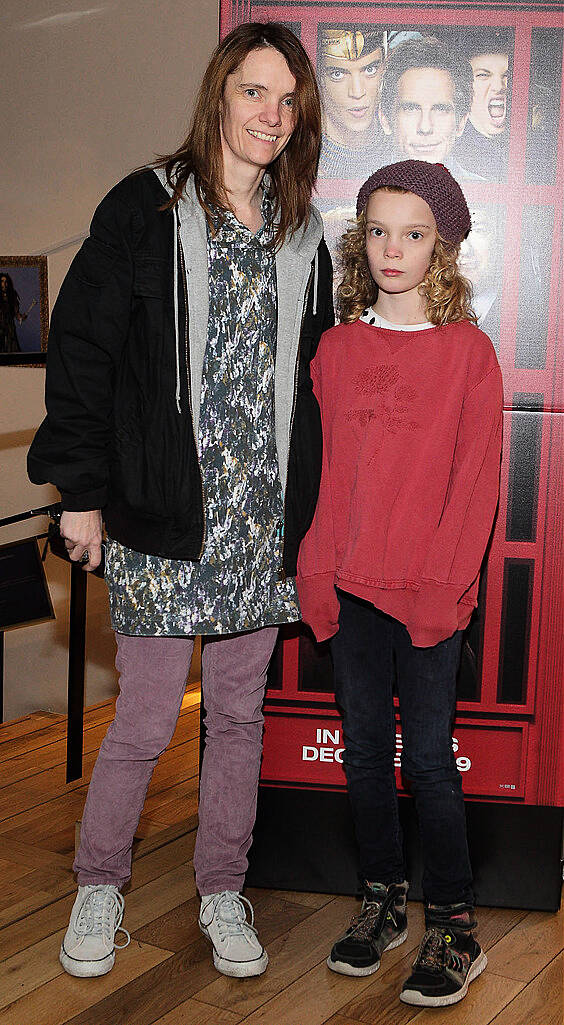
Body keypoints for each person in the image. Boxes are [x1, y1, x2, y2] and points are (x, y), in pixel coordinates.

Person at [28, 21, 333, 981]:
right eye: (254, 92)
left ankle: (219, 888)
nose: (271, 116)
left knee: (239, 717)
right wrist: (79, 494)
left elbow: (316, 380)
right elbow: (81, 352)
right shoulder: (143, 208)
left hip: (260, 523)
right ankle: (98, 884)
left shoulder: (304, 230)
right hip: (162, 516)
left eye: (287, 101)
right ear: (218, 94)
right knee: (146, 721)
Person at [297, 160, 503, 1007]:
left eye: (413, 233)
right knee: (365, 757)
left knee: (428, 756)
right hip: (349, 585)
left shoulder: (469, 353)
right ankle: (381, 900)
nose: (392, 248)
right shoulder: (337, 349)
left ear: (441, 247)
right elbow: (324, 472)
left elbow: (476, 483)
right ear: (360, 240)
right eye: (377, 230)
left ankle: (455, 925)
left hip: (428, 590)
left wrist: (445, 586)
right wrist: (316, 564)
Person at [378, 37, 473, 177]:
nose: (425, 127)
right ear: (385, 120)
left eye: (440, 109)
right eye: (411, 109)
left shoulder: (490, 193)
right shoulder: (362, 192)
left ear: (461, 123)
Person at [317, 26, 386, 177]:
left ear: (384, 69)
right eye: (338, 74)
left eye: (370, 70)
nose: (357, 92)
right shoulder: (298, 161)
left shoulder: (400, 151)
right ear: (318, 78)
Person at [454, 29, 511, 181]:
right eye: (483, 75)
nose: (499, 86)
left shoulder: (533, 144)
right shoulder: (454, 153)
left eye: (507, 76)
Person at [0, 272, 26, 353]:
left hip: (9, 328)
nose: (4, 284)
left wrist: (21, 317)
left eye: (6, 282)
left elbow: (16, 313)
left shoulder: (12, 296)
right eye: (2, 281)